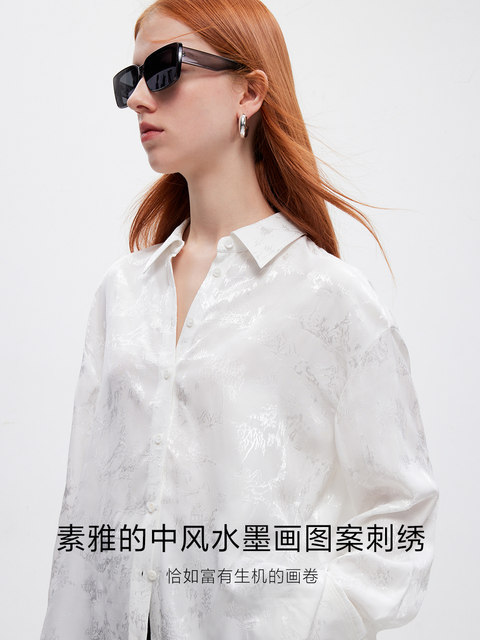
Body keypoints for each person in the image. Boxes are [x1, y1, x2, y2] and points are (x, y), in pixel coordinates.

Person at [40, 1, 439, 639]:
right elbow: (84, 509)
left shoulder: (329, 299)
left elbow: (402, 514)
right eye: (130, 79)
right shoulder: (122, 295)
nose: (138, 98)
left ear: (248, 92)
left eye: (163, 70)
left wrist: (302, 622)